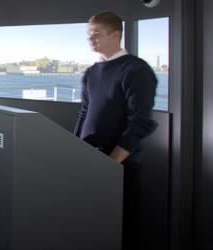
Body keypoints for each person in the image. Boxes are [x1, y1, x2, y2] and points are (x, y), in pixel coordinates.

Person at [73, 11, 158, 250]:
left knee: (121, 227)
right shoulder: (92, 72)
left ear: (116, 34)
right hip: (91, 160)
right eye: (89, 34)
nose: (91, 39)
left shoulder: (136, 70)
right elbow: (84, 113)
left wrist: (112, 163)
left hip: (120, 166)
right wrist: (74, 148)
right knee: (92, 224)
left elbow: (141, 122)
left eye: (96, 34)